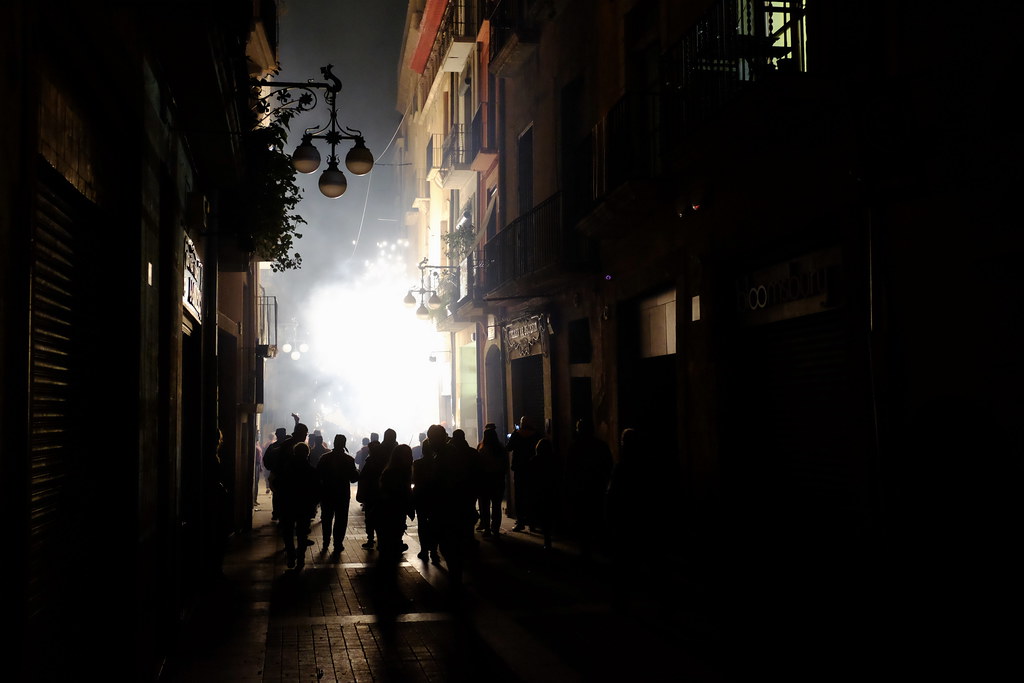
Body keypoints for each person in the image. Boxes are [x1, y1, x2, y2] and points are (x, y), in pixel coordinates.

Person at [565, 416, 613, 558]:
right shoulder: (601, 446)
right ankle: (604, 551)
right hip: (596, 489)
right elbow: (608, 466)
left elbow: (569, 471)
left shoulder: (574, 447)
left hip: (580, 491)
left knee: (583, 523)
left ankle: (586, 553)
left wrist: (569, 489)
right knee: (598, 520)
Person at [275, 441, 321, 570]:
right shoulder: (311, 470)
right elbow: (317, 490)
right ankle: (300, 559)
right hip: (305, 506)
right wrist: (314, 504)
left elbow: (278, 485)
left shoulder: (287, 469)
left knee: (288, 532)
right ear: (307, 454)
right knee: (302, 534)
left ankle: (291, 556)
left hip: (288, 504)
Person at [317, 434, 359, 557]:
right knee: (341, 520)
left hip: (327, 493)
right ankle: (338, 543)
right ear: (344, 444)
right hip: (342, 494)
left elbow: (318, 475)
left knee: (326, 519)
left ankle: (325, 542)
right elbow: (353, 479)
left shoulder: (324, 458)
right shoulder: (349, 460)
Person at [376, 444, 415, 557]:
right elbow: (404, 491)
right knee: (395, 533)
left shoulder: (389, 471)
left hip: (387, 509)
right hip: (395, 509)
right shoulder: (402, 472)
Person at [506, 416, 540, 532]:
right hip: (532, 469)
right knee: (531, 495)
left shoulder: (516, 434)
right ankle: (532, 523)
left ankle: (520, 522)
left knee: (519, 496)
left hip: (519, 469)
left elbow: (508, 448)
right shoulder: (536, 435)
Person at [476, 424, 508, 537]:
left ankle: (487, 528)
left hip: (484, 480)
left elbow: (478, 466)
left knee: (484, 506)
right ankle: (495, 528)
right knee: (496, 506)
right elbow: (505, 465)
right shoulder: (501, 448)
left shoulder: (481, 448)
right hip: (497, 480)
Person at [413, 438, 441, 564]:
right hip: (435, 496)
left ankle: (424, 549)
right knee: (435, 523)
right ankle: (434, 551)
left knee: (422, 523)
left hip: (421, 496)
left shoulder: (417, 463)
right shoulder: (438, 463)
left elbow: (413, 479)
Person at [530, 437, 560, 550]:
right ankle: (550, 536)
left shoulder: (534, 460)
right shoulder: (555, 460)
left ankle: (547, 539)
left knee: (543, 516)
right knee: (550, 514)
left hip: (539, 492)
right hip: (551, 490)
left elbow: (531, 478)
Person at [357, 438, 386, 549]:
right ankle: (381, 539)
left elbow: (363, 477)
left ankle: (370, 539)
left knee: (369, 518)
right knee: (380, 518)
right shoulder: (384, 461)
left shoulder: (369, 462)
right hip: (381, 493)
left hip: (370, 494)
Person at [262, 426, 290, 520]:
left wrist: (270, 468)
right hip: (285, 475)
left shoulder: (273, 446)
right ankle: (282, 514)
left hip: (276, 474)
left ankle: (276, 513)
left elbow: (266, 459)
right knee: (284, 496)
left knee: (276, 495)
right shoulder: (288, 446)